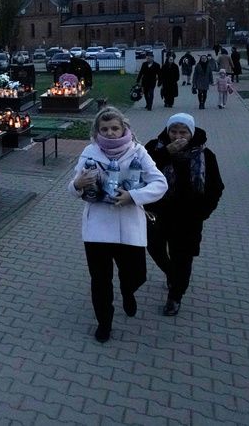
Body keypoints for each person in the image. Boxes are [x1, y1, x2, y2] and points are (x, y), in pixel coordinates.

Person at [69, 107, 167, 342]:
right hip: (97, 230)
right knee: (100, 280)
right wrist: (78, 183)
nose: (110, 133)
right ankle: (104, 323)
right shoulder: (90, 151)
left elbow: (160, 184)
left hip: (129, 225)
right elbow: (72, 188)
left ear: (124, 128)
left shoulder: (138, 152)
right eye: (105, 129)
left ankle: (128, 290)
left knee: (137, 274)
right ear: (97, 130)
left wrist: (133, 196)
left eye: (115, 128)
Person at [145, 114, 224, 316]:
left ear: (191, 133)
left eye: (183, 132)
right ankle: (172, 274)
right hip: (157, 213)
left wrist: (203, 213)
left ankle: (175, 296)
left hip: (188, 218)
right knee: (154, 248)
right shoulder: (154, 148)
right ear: (167, 131)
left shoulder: (206, 155)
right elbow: (141, 172)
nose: (177, 136)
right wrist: (166, 153)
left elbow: (215, 188)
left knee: (183, 258)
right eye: (173, 131)